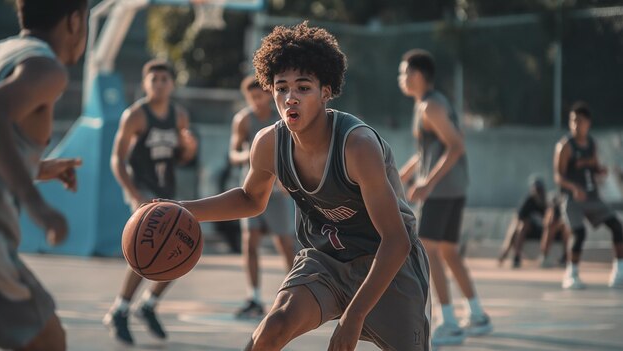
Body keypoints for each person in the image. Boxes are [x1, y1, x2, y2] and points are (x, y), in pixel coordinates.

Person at [161, 22, 431, 350]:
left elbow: (396, 241)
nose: (290, 98)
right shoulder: (268, 144)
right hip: (326, 260)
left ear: (325, 91)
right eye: (281, 88)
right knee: (273, 327)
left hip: (386, 265)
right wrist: (181, 209)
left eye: (303, 88)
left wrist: (353, 316)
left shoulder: (356, 146)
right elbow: (250, 199)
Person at [0, 0, 88, 349]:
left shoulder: (5, 51)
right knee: (48, 340)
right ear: (75, 22)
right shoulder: (46, 68)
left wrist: (38, 168)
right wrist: (38, 207)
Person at [398, 49, 492, 346]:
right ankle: (477, 315)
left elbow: (455, 146)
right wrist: (402, 175)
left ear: (420, 76)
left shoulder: (431, 107)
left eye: (405, 73)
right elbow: (427, 151)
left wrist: (426, 183)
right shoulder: (426, 105)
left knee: (428, 251)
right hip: (453, 188)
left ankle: (448, 321)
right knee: (449, 251)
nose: (401, 78)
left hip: (442, 190)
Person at [103, 59, 197, 344]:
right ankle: (120, 309)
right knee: (146, 245)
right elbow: (117, 159)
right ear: (145, 84)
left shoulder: (179, 116)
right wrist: (134, 193)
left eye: (164, 79)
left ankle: (148, 305)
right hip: (141, 188)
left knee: (181, 246)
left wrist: (189, 149)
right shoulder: (136, 116)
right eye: (153, 79)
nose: (159, 84)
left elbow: (182, 159)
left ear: (172, 84)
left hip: (166, 189)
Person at [229, 75, 296, 318]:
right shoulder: (244, 120)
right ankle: (254, 297)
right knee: (250, 241)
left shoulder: (281, 118)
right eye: (252, 97)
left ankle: (295, 293)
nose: (257, 101)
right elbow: (233, 154)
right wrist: (250, 154)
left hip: (276, 191)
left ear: (268, 94)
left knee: (285, 242)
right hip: (250, 189)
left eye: (260, 95)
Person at [554, 101, 623, 289]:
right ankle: (572, 273)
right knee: (579, 233)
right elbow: (558, 176)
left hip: (592, 197)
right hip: (572, 198)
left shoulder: (592, 143)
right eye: (573, 120)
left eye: (580, 120)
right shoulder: (565, 146)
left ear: (588, 123)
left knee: (617, 226)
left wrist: (601, 171)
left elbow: (593, 167)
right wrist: (574, 188)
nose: (576, 124)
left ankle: (619, 271)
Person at [498, 178, 569, 268]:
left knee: (561, 225)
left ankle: (564, 257)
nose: (538, 192)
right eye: (536, 190)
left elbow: (559, 220)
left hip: (549, 233)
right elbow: (518, 219)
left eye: (540, 190)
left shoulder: (549, 202)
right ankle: (515, 256)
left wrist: (550, 213)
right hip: (533, 233)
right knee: (520, 224)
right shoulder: (528, 201)